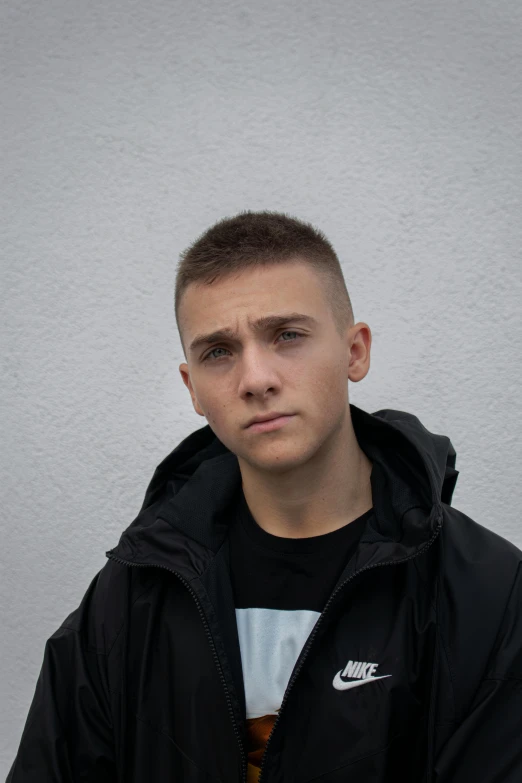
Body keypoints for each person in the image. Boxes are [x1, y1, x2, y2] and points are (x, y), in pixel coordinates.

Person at [7, 210, 522, 783]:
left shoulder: (489, 594)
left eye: (287, 336)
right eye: (219, 352)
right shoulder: (131, 596)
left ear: (355, 352)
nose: (255, 378)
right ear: (192, 389)